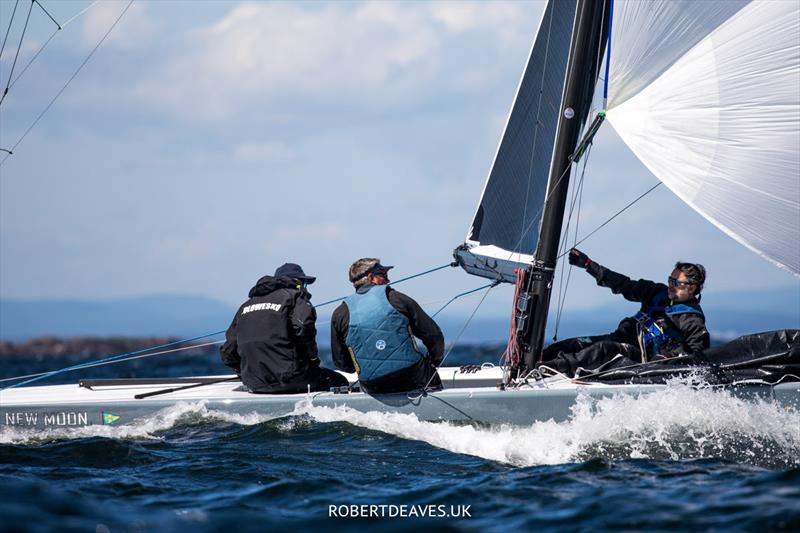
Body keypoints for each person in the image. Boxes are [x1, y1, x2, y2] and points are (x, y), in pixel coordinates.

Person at [540, 248, 710, 376]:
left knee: (602, 350)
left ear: (692, 287)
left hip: (641, 360)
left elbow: (697, 355)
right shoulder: (656, 292)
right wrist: (588, 265)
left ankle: (546, 370)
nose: (671, 285)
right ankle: (533, 364)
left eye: (677, 283)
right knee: (571, 345)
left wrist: (666, 360)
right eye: (670, 280)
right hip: (619, 339)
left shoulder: (693, 319)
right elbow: (623, 284)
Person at [220, 263, 348, 394]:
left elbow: (227, 352)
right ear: (297, 281)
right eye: (304, 283)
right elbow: (304, 328)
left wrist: (245, 373)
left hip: (254, 383)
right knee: (340, 381)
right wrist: (314, 359)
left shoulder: (245, 306)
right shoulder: (295, 297)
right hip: (292, 378)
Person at [331, 258, 444, 393]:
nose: (388, 280)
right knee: (429, 373)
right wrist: (434, 362)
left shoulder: (340, 313)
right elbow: (434, 335)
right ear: (371, 277)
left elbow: (342, 364)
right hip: (413, 376)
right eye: (383, 275)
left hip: (372, 385)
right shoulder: (397, 298)